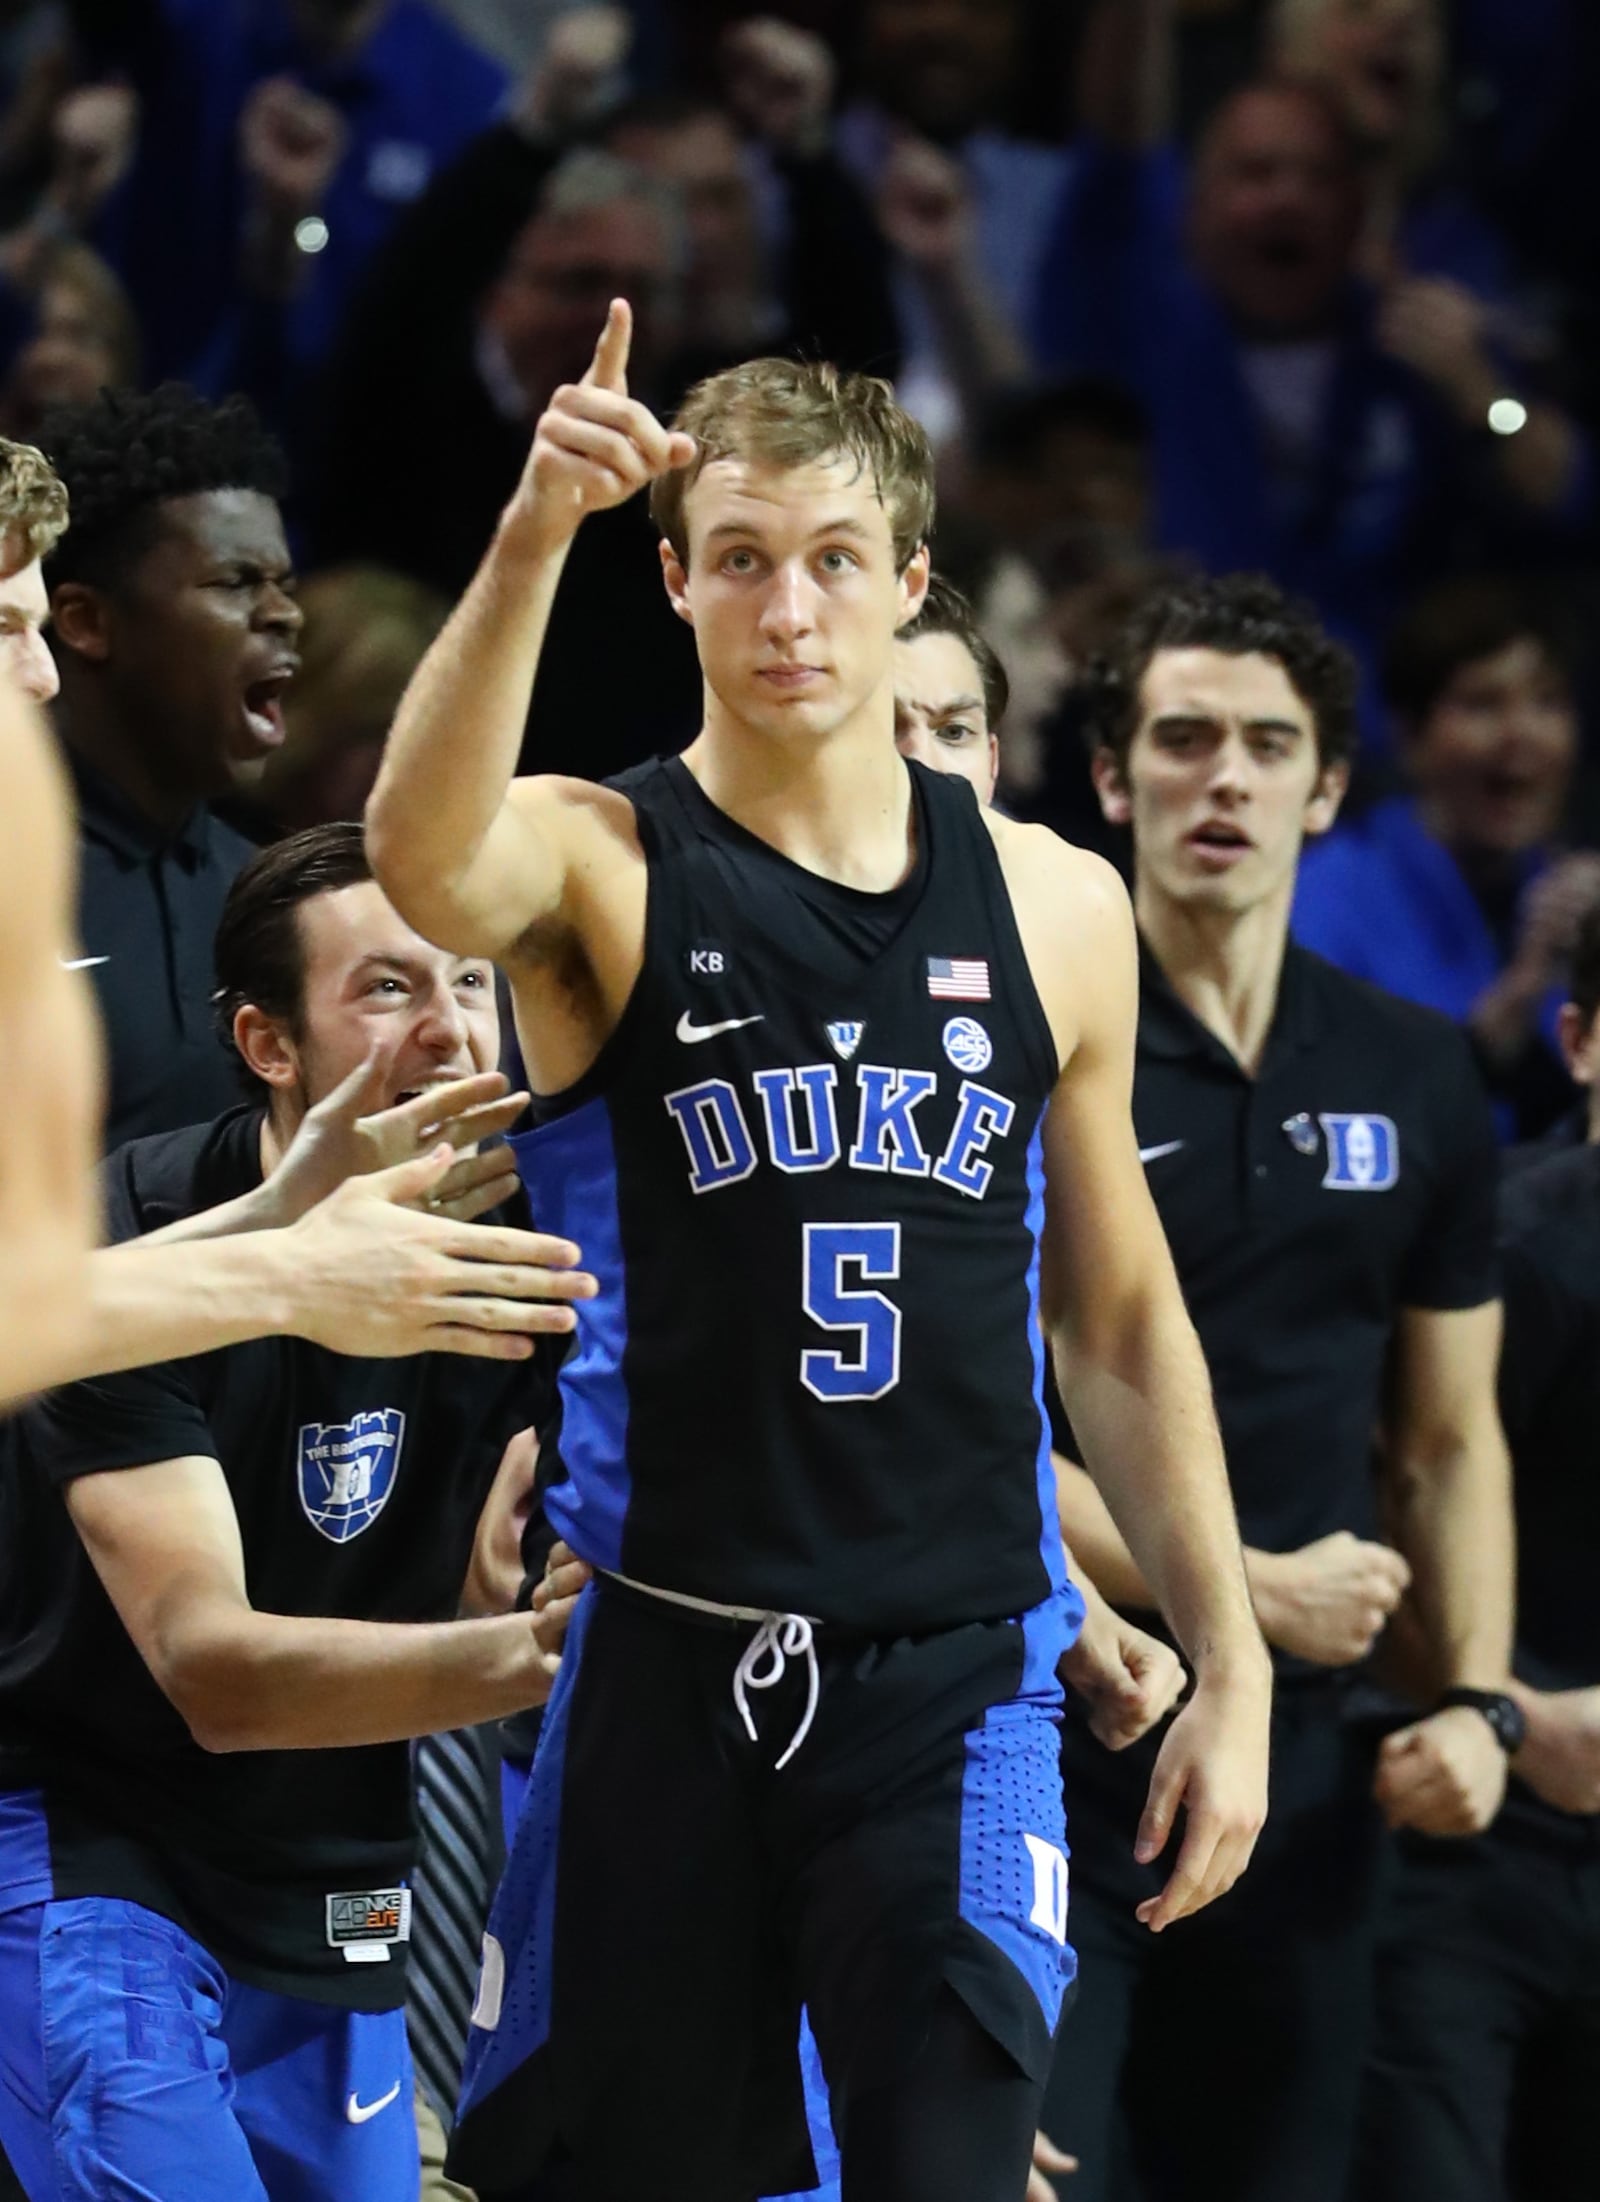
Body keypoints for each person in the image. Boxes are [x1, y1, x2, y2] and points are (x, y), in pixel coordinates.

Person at [366, 311, 1273, 2199]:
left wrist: (1234, 1656)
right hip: (662, 1661)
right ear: (679, 581)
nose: (792, 608)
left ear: (914, 584)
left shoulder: (1053, 899)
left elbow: (1113, 1315)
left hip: (948, 1677)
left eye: (838, 560)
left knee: (948, 2156)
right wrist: (535, 524)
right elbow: (420, 853)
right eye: (745, 559)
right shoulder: (600, 856)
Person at [0, 822, 593, 2202]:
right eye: (388, 988)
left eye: (468, 978)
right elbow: (212, 1671)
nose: (450, 1028)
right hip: (96, 1850)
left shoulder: (553, 1246)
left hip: (333, 1870)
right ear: (269, 1044)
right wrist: (535, 1651)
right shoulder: (127, 1242)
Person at [1041, 572, 1516, 2202]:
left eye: (1265, 746)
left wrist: (1477, 1698)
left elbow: (1451, 1435)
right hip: (1057, 1721)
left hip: (1315, 1766)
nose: (1221, 779)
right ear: (1109, 780)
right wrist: (1237, 1585)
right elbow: (963, 1428)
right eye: (1179, 740)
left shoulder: (1417, 1065)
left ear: (1327, 789)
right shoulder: (1028, 1060)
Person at [1033, 0, 1589, 744]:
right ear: (1194, 204)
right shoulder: (1149, 326)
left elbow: (1571, 495)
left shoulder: (1414, 346)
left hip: (1374, 758)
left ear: (1358, 211)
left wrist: (1485, 398)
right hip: (1178, 735)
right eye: (1257, 173)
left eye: (1318, 177)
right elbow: (1118, 148)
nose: (1287, 198)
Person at [1352, 914, 1600, 2202]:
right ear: (1577, 1043)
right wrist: (1505, 1710)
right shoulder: (1520, 1250)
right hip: (1471, 1838)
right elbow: (1399, 1490)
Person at [40, 382, 303, 1149]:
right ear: (87, 621)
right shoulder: (19, 869)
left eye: (284, 583)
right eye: (236, 582)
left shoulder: (266, 894)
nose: (285, 612)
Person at [1292, 574, 1592, 1140]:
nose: (1521, 733)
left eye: (1547, 701)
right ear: (1409, 735)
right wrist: (1516, 1003)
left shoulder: (1570, 897)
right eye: (1483, 703)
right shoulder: (1328, 897)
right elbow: (1333, 1126)